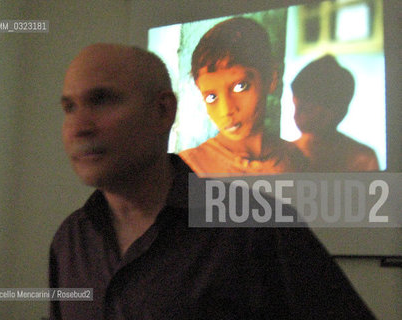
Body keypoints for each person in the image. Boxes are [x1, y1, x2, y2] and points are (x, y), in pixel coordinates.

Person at [49, 43, 375, 319]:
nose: (79, 127)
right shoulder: (70, 241)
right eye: (69, 107)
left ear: (163, 111)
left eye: (102, 101)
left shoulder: (258, 228)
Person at [179, 17, 308, 176]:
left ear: (271, 79)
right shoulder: (189, 167)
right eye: (211, 97)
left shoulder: (293, 160)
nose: (226, 110)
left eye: (240, 87)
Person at [291, 54, 379, 171]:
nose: (297, 115)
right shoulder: (284, 156)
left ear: (333, 111)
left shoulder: (362, 159)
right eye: (296, 105)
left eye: (307, 107)